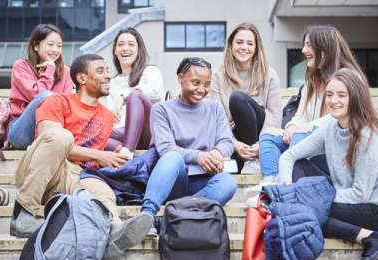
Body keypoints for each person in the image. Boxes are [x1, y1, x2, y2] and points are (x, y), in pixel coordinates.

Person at [10, 54, 152, 259]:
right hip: (44, 171)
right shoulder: (57, 101)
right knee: (61, 136)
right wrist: (100, 155)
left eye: (108, 71)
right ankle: (23, 213)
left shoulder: (107, 116)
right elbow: (50, 141)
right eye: (101, 71)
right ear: (82, 79)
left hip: (77, 177)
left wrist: (119, 153)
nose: (108, 76)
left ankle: (113, 232)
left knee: (102, 190)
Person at [278, 68, 378, 260]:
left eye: (342, 95)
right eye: (330, 94)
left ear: (355, 97)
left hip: (376, 210)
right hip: (346, 199)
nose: (334, 100)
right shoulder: (331, 127)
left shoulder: (367, 136)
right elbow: (289, 156)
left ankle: (372, 236)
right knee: (300, 175)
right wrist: (286, 188)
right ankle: (367, 236)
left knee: (305, 211)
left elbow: (360, 194)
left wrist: (310, 198)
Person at [139, 57, 237, 232]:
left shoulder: (215, 108)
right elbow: (166, 148)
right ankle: (146, 216)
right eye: (195, 82)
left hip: (204, 181)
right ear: (180, 78)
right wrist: (197, 156)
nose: (201, 89)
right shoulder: (162, 109)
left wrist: (216, 152)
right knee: (172, 157)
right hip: (174, 179)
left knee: (228, 183)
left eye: (206, 84)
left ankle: (175, 216)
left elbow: (226, 141)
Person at [258, 25, 364, 185]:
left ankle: (283, 185)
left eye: (308, 45)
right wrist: (291, 127)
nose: (303, 50)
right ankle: (270, 183)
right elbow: (300, 116)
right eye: (304, 44)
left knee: (299, 138)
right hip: (306, 140)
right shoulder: (311, 82)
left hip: (334, 149)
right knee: (268, 136)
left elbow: (341, 118)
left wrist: (304, 129)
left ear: (324, 47)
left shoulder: (351, 78)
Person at [209, 22, 281, 174]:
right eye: (239, 42)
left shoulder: (269, 74)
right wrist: (234, 144)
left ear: (256, 48)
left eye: (250, 43)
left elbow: (274, 114)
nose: (244, 47)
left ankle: (253, 161)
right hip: (232, 138)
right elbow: (218, 118)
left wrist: (261, 144)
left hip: (261, 136)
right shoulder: (217, 76)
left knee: (237, 99)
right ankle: (246, 161)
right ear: (231, 45)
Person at [7, 24, 74, 149]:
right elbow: (37, 95)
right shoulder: (21, 66)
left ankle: (46, 143)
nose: (55, 50)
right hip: (22, 131)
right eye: (50, 44)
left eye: (59, 46)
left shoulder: (66, 72)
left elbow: (66, 106)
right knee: (48, 96)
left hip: (53, 130)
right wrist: (49, 70)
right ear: (36, 46)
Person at [101, 27, 164, 156]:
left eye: (131, 44)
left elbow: (156, 92)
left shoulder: (150, 71)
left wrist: (124, 97)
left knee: (136, 96)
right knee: (95, 133)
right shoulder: (111, 83)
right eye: (120, 45)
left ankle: (128, 151)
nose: (125, 48)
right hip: (119, 135)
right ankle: (123, 152)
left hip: (147, 132)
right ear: (115, 51)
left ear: (138, 50)